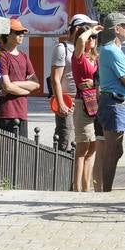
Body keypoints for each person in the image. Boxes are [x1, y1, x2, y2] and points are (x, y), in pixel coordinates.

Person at [93, 12, 125, 192]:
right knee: (112, 149)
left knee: (117, 149)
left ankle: (107, 188)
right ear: (116, 29)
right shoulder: (111, 51)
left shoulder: (112, 50)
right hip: (114, 103)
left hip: (117, 102)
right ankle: (107, 191)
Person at [70, 18, 104, 192]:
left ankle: (86, 186)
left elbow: (99, 80)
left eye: (95, 38)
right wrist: (90, 30)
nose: (92, 41)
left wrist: (95, 84)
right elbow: (82, 40)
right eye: (90, 38)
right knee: (82, 147)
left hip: (95, 103)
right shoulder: (79, 57)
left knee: (92, 147)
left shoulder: (95, 58)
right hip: (83, 102)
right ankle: (77, 188)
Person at [50, 15, 93, 153]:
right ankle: (63, 173)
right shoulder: (62, 48)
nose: (90, 32)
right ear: (78, 28)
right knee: (66, 139)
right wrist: (61, 103)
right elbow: (55, 78)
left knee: (83, 142)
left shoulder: (87, 48)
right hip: (68, 101)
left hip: (85, 100)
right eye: (87, 28)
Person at [0, 17, 39, 136]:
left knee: (21, 152)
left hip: (22, 112)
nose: (22, 35)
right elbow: (7, 87)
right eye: (18, 32)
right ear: (7, 34)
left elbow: (36, 84)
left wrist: (16, 84)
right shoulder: (2, 56)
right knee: (6, 152)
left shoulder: (24, 56)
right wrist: (26, 89)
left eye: (23, 32)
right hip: (6, 113)